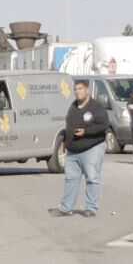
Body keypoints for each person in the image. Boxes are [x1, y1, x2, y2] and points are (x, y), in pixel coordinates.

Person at [54, 80, 114, 216]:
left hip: (92, 147)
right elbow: (69, 126)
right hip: (73, 149)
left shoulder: (96, 107)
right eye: (75, 89)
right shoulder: (73, 106)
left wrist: (86, 132)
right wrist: (65, 141)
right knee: (70, 178)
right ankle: (66, 208)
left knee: (92, 178)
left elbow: (103, 125)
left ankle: (91, 208)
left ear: (87, 90)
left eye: (80, 89)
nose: (77, 92)